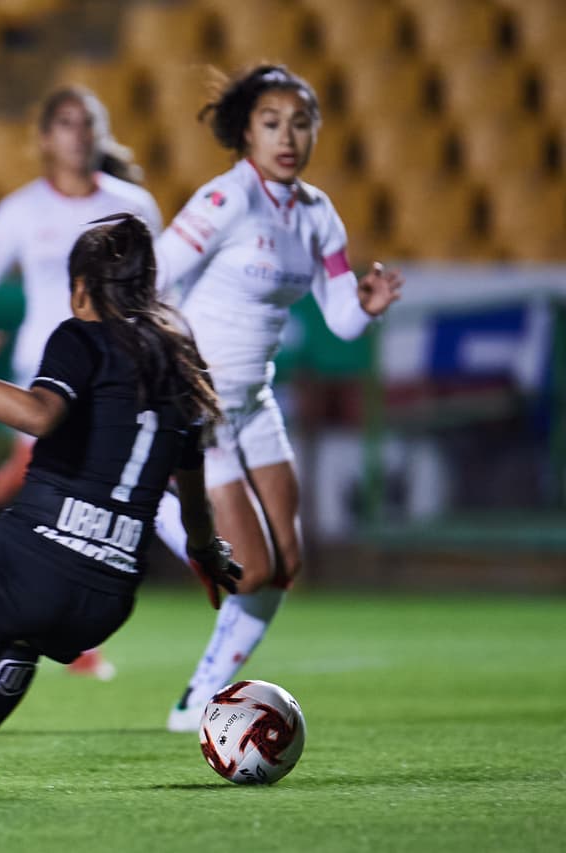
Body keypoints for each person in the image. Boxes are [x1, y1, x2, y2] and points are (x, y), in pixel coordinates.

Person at [0, 213, 242, 803]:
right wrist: (207, 555)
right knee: (20, 637)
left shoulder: (80, 337)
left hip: (34, 558)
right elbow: (192, 493)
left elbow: (39, 414)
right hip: (108, 594)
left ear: (81, 287)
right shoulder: (178, 363)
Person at [151, 65, 403, 733]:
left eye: (300, 122)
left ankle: (197, 697)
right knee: (252, 564)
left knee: (287, 565)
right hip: (200, 403)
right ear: (246, 132)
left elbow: (343, 316)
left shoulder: (317, 212)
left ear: (316, 131)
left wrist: (369, 306)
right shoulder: (225, 200)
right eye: (271, 122)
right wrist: (164, 365)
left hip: (254, 400)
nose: (287, 136)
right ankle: (159, 511)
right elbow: (151, 273)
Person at [0, 86, 164, 681]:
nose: (77, 134)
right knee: (40, 490)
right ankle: (9, 607)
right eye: (65, 123)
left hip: (116, 373)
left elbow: (161, 291)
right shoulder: (21, 210)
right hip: (44, 376)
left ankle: (46, 625)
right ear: (45, 137)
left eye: (87, 123)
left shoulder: (135, 205)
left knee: (66, 496)